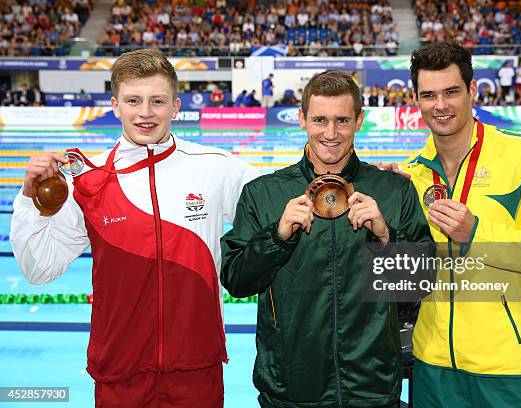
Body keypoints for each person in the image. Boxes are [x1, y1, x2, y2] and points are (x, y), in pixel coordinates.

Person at [10, 48, 257, 407]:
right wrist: (29, 200)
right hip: (119, 373)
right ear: (115, 105)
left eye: (157, 101)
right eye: (133, 100)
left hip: (196, 367)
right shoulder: (89, 181)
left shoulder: (216, 168)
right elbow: (39, 269)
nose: (145, 113)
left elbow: (278, 206)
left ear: (175, 106)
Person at [221, 70, 432, 407]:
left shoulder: (395, 191)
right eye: (319, 119)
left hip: (371, 390)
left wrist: (386, 235)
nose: (331, 134)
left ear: (359, 120)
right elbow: (236, 281)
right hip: (290, 392)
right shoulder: (263, 194)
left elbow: (419, 286)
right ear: (302, 119)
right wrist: (276, 236)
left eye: (342, 120)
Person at [399, 42, 521, 407]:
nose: (440, 105)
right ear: (416, 100)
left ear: (472, 91)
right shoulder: (413, 173)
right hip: (433, 369)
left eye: (451, 92)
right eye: (429, 95)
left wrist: (477, 234)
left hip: (513, 369)